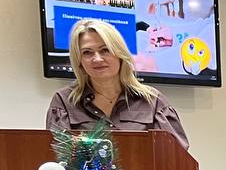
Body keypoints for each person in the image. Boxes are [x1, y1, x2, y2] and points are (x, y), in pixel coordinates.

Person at [46, 18, 189, 149]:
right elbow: (57, 157)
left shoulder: (152, 101)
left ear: (120, 54)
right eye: (87, 52)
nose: (97, 59)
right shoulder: (64, 101)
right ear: (79, 61)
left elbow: (176, 156)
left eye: (105, 50)